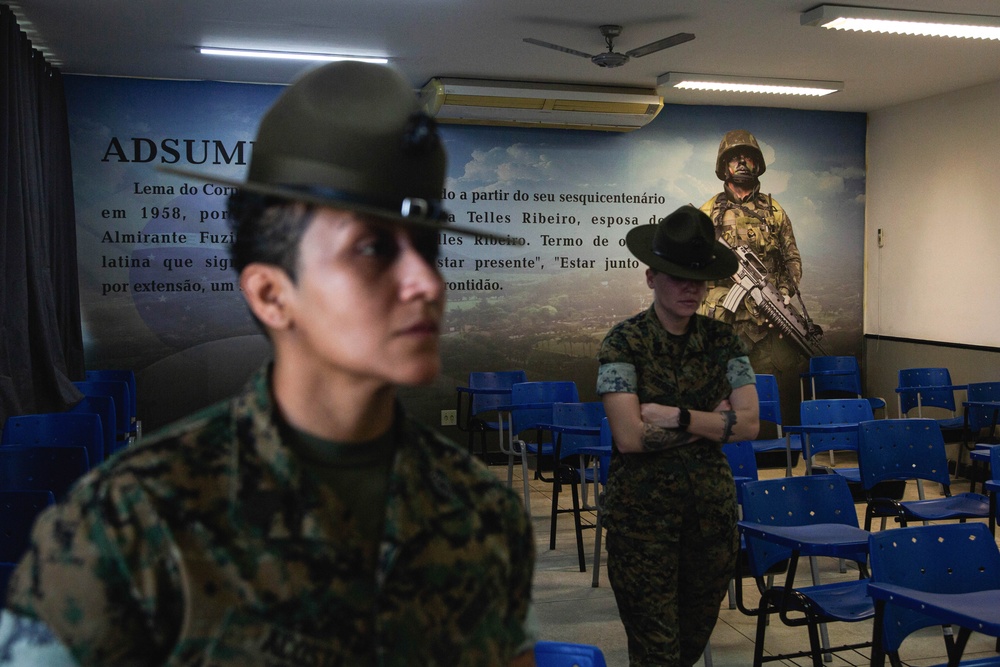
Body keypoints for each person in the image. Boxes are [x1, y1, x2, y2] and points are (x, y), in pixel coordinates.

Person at [0, 62, 537, 666]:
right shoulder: (129, 523)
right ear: (270, 294)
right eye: (371, 248)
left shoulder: (482, 513)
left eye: (428, 244)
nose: (424, 283)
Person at [596, 205, 759, 666]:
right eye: (677, 276)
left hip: (711, 524)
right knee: (657, 654)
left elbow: (749, 424)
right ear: (651, 277)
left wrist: (678, 418)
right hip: (642, 527)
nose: (691, 287)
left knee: (687, 649)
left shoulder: (724, 342)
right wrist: (712, 424)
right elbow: (629, 436)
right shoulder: (622, 343)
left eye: (700, 278)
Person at [698, 129, 804, 417]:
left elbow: (792, 258)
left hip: (765, 326)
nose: (741, 163)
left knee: (768, 399)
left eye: (748, 157)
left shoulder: (774, 212)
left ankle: (771, 452)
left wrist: (784, 291)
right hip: (725, 325)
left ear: (758, 164)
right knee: (721, 397)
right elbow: (690, 267)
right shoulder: (707, 213)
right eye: (734, 158)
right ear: (724, 167)